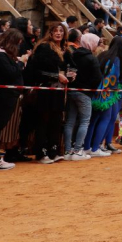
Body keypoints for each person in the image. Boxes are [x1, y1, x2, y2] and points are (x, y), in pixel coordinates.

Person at [30, 24, 73, 163]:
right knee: (43, 120)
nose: (58, 33)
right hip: (45, 89)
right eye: (55, 31)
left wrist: (72, 74)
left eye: (61, 31)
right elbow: (35, 70)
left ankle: (53, 151)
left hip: (59, 91)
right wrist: (56, 76)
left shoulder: (66, 49)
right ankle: (41, 153)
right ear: (50, 33)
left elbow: (71, 66)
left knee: (56, 120)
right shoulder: (44, 47)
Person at [0, 30, 28, 170]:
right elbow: (10, 74)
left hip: (6, 95)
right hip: (3, 96)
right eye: (18, 43)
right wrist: (21, 63)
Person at [83, 36, 122, 157]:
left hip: (97, 91)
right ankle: (96, 147)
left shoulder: (103, 55)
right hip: (108, 93)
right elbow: (117, 77)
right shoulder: (117, 59)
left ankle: (87, 146)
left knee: (94, 120)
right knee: (106, 119)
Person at [63, 32, 101, 161]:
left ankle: (68, 150)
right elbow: (97, 77)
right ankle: (78, 150)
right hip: (84, 93)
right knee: (84, 121)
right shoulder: (91, 58)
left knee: (70, 121)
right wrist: (91, 89)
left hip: (71, 90)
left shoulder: (73, 54)